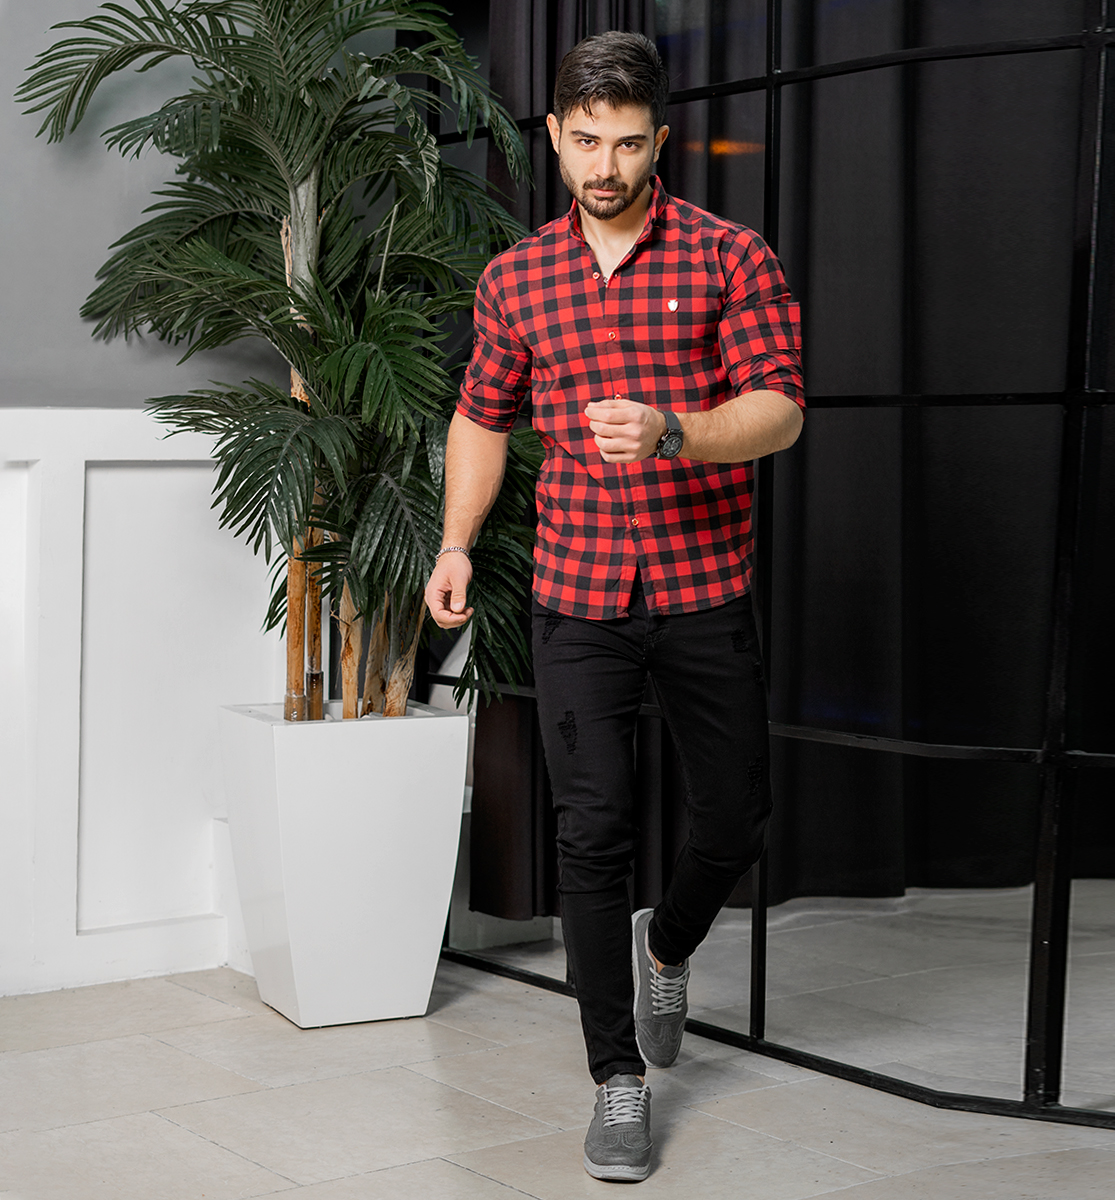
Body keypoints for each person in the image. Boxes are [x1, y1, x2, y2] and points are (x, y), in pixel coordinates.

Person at [424, 30, 803, 1183]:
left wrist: (676, 430)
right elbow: (482, 417)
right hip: (578, 595)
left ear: (659, 140)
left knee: (734, 819)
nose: (605, 165)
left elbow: (781, 410)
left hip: (702, 586)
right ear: (554, 134)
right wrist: (455, 542)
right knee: (591, 833)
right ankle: (616, 1078)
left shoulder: (730, 257)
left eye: (628, 144)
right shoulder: (518, 278)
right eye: (586, 141)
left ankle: (668, 947)